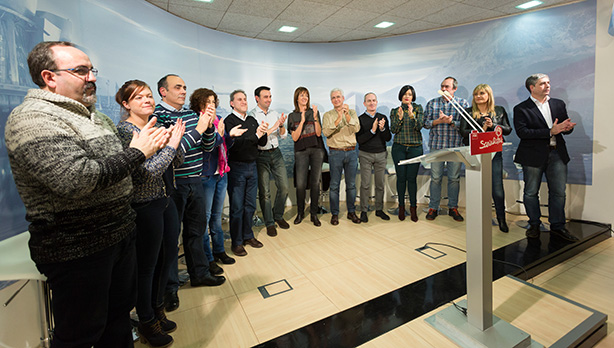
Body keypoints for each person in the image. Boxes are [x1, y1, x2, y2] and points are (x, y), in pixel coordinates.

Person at [5, 41, 168, 347]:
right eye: (81, 70)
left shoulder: (97, 118)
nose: (91, 77)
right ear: (49, 77)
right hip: (78, 249)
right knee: (80, 336)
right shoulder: (33, 118)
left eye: (92, 69)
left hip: (118, 237)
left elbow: (124, 173)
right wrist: (138, 152)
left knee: (118, 321)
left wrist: (157, 149)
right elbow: (74, 179)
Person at [116, 80, 185, 346]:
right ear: (126, 104)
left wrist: (174, 142)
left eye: (148, 96)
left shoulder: (153, 127)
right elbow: (144, 174)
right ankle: (146, 320)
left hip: (164, 199)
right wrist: (168, 147)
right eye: (139, 97)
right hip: (143, 205)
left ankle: (158, 309)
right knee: (147, 265)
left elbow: (173, 163)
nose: (147, 100)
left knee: (167, 257)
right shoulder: (126, 131)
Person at [153, 74, 225, 314]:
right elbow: (170, 151)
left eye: (184, 87)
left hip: (196, 179)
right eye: (177, 87)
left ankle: (200, 274)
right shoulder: (158, 116)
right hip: (173, 184)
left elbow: (207, 147)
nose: (183, 91)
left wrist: (208, 128)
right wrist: (200, 129)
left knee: (196, 231)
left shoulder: (191, 115)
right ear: (163, 91)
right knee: (171, 239)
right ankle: (170, 288)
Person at [513, 74, 578, 242]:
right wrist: (550, 131)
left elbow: (562, 126)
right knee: (530, 192)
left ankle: (558, 226)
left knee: (558, 193)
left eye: (548, 82)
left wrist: (567, 128)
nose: (547, 85)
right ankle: (534, 225)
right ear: (532, 87)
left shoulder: (558, 103)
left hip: (557, 153)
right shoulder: (521, 108)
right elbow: (523, 133)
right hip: (532, 155)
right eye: (542, 83)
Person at [189, 88, 238, 267]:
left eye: (213, 101)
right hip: (206, 175)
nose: (211, 105)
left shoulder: (217, 119)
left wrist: (228, 135)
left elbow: (224, 143)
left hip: (221, 172)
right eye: (206, 102)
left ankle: (219, 251)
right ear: (198, 104)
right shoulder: (197, 121)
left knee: (216, 217)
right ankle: (208, 258)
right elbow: (207, 146)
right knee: (205, 217)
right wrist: (218, 133)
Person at [459, 84, 512, 232]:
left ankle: (501, 219)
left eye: (482, 93)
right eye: (476, 94)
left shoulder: (499, 111)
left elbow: (507, 130)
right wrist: (481, 129)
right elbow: (463, 132)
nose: (478, 96)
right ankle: (478, 218)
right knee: (476, 187)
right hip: (474, 154)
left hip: (494, 153)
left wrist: (494, 125)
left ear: (489, 95)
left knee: (497, 187)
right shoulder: (467, 112)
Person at [224, 89, 268, 256]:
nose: (244, 102)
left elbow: (260, 142)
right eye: (240, 99)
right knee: (237, 208)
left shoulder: (251, 120)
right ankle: (237, 242)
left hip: (252, 166)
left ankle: (248, 235)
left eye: (245, 99)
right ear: (232, 103)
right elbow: (236, 144)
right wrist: (255, 135)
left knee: (250, 205)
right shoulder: (229, 121)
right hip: (237, 168)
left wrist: (262, 132)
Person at [424, 76, 470, 222]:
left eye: (447, 87)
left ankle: (453, 207)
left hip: (455, 147)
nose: (444, 89)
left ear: (454, 89)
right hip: (436, 146)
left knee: (454, 179)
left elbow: (465, 125)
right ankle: (433, 207)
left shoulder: (462, 103)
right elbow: (425, 123)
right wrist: (438, 121)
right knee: (435, 178)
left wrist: (451, 122)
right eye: (442, 86)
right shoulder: (432, 103)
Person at [248, 86, 290, 237]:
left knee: (284, 187)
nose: (269, 100)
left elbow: (283, 136)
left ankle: (277, 215)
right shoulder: (252, 116)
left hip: (276, 153)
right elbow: (260, 136)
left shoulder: (274, 113)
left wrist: (281, 126)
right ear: (257, 98)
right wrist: (275, 126)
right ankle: (270, 222)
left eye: (270, 96)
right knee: (265, 193)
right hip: (261, 155)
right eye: (266, 97)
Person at [322, 88, 361, 225]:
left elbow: (357, 129)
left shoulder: (352, 113)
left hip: (351, 152)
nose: (336, 99)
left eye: (338, 97)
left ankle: (351, 212)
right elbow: (326, 132)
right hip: (335, 153)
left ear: (343, 98)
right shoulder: (327, 115)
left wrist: (347, 116)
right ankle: (335, 214)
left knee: (351, 185)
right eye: (333, 98)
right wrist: (338, 119)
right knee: (334, 185)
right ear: (331, 100)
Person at [287, 87, 325, 226]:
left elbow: (319, 133)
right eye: (302, 95)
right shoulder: (292, 116)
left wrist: (314, 117)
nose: (304, 98)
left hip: (317, 150)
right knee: (301, 184)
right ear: (297, 98)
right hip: (301, 151)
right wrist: (302, 121)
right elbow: (295, 138)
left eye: (306, 95)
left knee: (315, 183)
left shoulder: (314, 112)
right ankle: (300, 213)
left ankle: (314, 214)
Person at [390, 85, 425, 222]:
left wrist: (411, 116)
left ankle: (413, 208)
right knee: (401, 178)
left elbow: (419, 126)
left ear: (413, 96)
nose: (407, 96)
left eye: (409, 94)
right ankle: (401, 207)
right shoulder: (394, 111)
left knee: (411, 179)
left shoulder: (418, 108)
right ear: (401, 96)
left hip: (415, 148)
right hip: (399, 148)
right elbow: (393, 130)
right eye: (404, 94)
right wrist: (399, 118)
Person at [356, 92, 391, 223]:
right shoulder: (360, 119)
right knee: (365, 184)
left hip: (381, 154)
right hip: (365, 154)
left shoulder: (383, 117)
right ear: (364, 104)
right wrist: (372, 130)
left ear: (377, 102)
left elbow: (387, 138)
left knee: (380, 184)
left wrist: (382, 129)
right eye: (369, 101)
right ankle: (364, 210)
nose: (371, 103)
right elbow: (359, 140)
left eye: (374, 100)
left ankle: (379, 209)